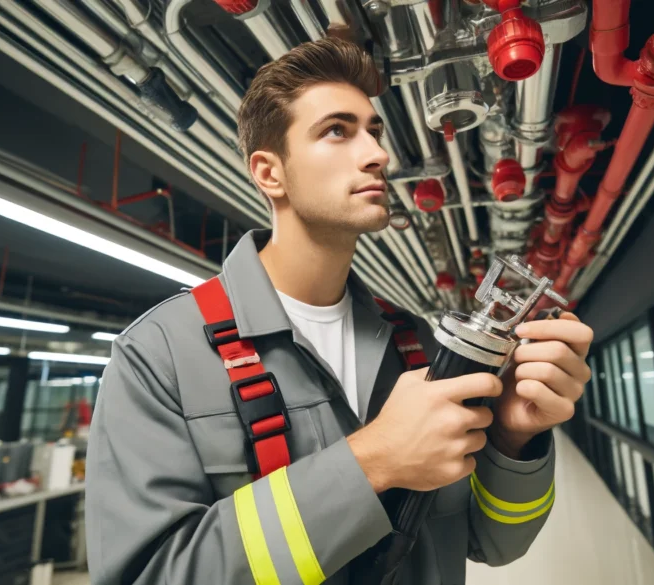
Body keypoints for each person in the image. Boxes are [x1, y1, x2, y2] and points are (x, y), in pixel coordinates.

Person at [86, 37, 593, 585]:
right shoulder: (160, 355)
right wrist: (371, 463)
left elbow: (488, 542)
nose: (377, 154)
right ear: (269, 173)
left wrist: (513, 440)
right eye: (337, 131)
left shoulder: (413, 342)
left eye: (373, 131)